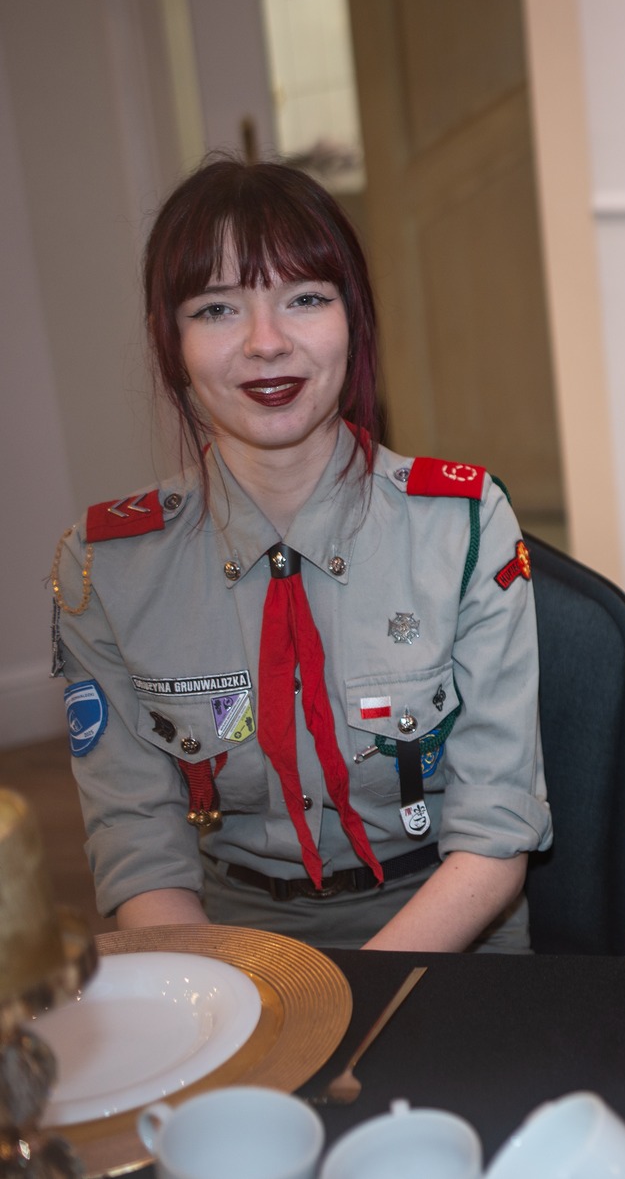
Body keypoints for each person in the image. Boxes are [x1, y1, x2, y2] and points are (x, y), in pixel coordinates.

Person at [51, 160, 550, 952]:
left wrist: (344, 998)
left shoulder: (462, 524)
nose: (266, 342)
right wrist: (228, 991)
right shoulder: (105, 568)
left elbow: (495, 833)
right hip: (228, 943)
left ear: (354, 319)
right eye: (217, 308)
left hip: (448, 936)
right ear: (170, 342)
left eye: (305, 298)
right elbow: (139, 849)